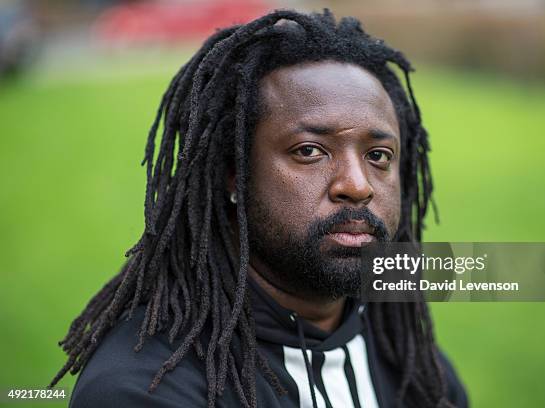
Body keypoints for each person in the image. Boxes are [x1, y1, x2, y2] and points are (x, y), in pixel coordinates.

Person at [51, 9, 468, 408]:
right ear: (234, 173)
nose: (357, 186)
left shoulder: (417, 368)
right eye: (309, 151)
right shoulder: (145, 389)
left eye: (378, 156)